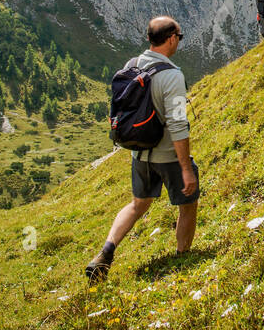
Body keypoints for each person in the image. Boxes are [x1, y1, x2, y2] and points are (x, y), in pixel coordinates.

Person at [85, 15, 199, 282]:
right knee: (188, 203)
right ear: (171, 39)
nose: (178, 42)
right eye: (179, 38)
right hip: (168, 156)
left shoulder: (132, 65)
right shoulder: (172, 76)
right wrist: (186, 169)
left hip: (139, 153)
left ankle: (105, 253)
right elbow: (178, 126)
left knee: (138, 204)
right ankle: (182, 256)